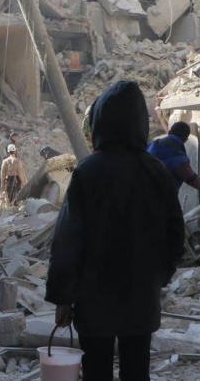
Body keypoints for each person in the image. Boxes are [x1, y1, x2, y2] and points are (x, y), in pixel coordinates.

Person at [45, 81, 185, 381]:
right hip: (141, 296)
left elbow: (68, 241)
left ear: (101, 123)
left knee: (96, 372)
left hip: (94, 300)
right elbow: (175, 233)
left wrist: (62, 297)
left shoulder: (87, 172)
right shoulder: (156, 170)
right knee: (137, 372)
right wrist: (160, 276)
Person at [147, 122, 200, 194]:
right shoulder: (178, 158)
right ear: (186, 140)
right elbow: (194, 181)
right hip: (159, 198)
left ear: (169, 132)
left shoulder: (152, 145)